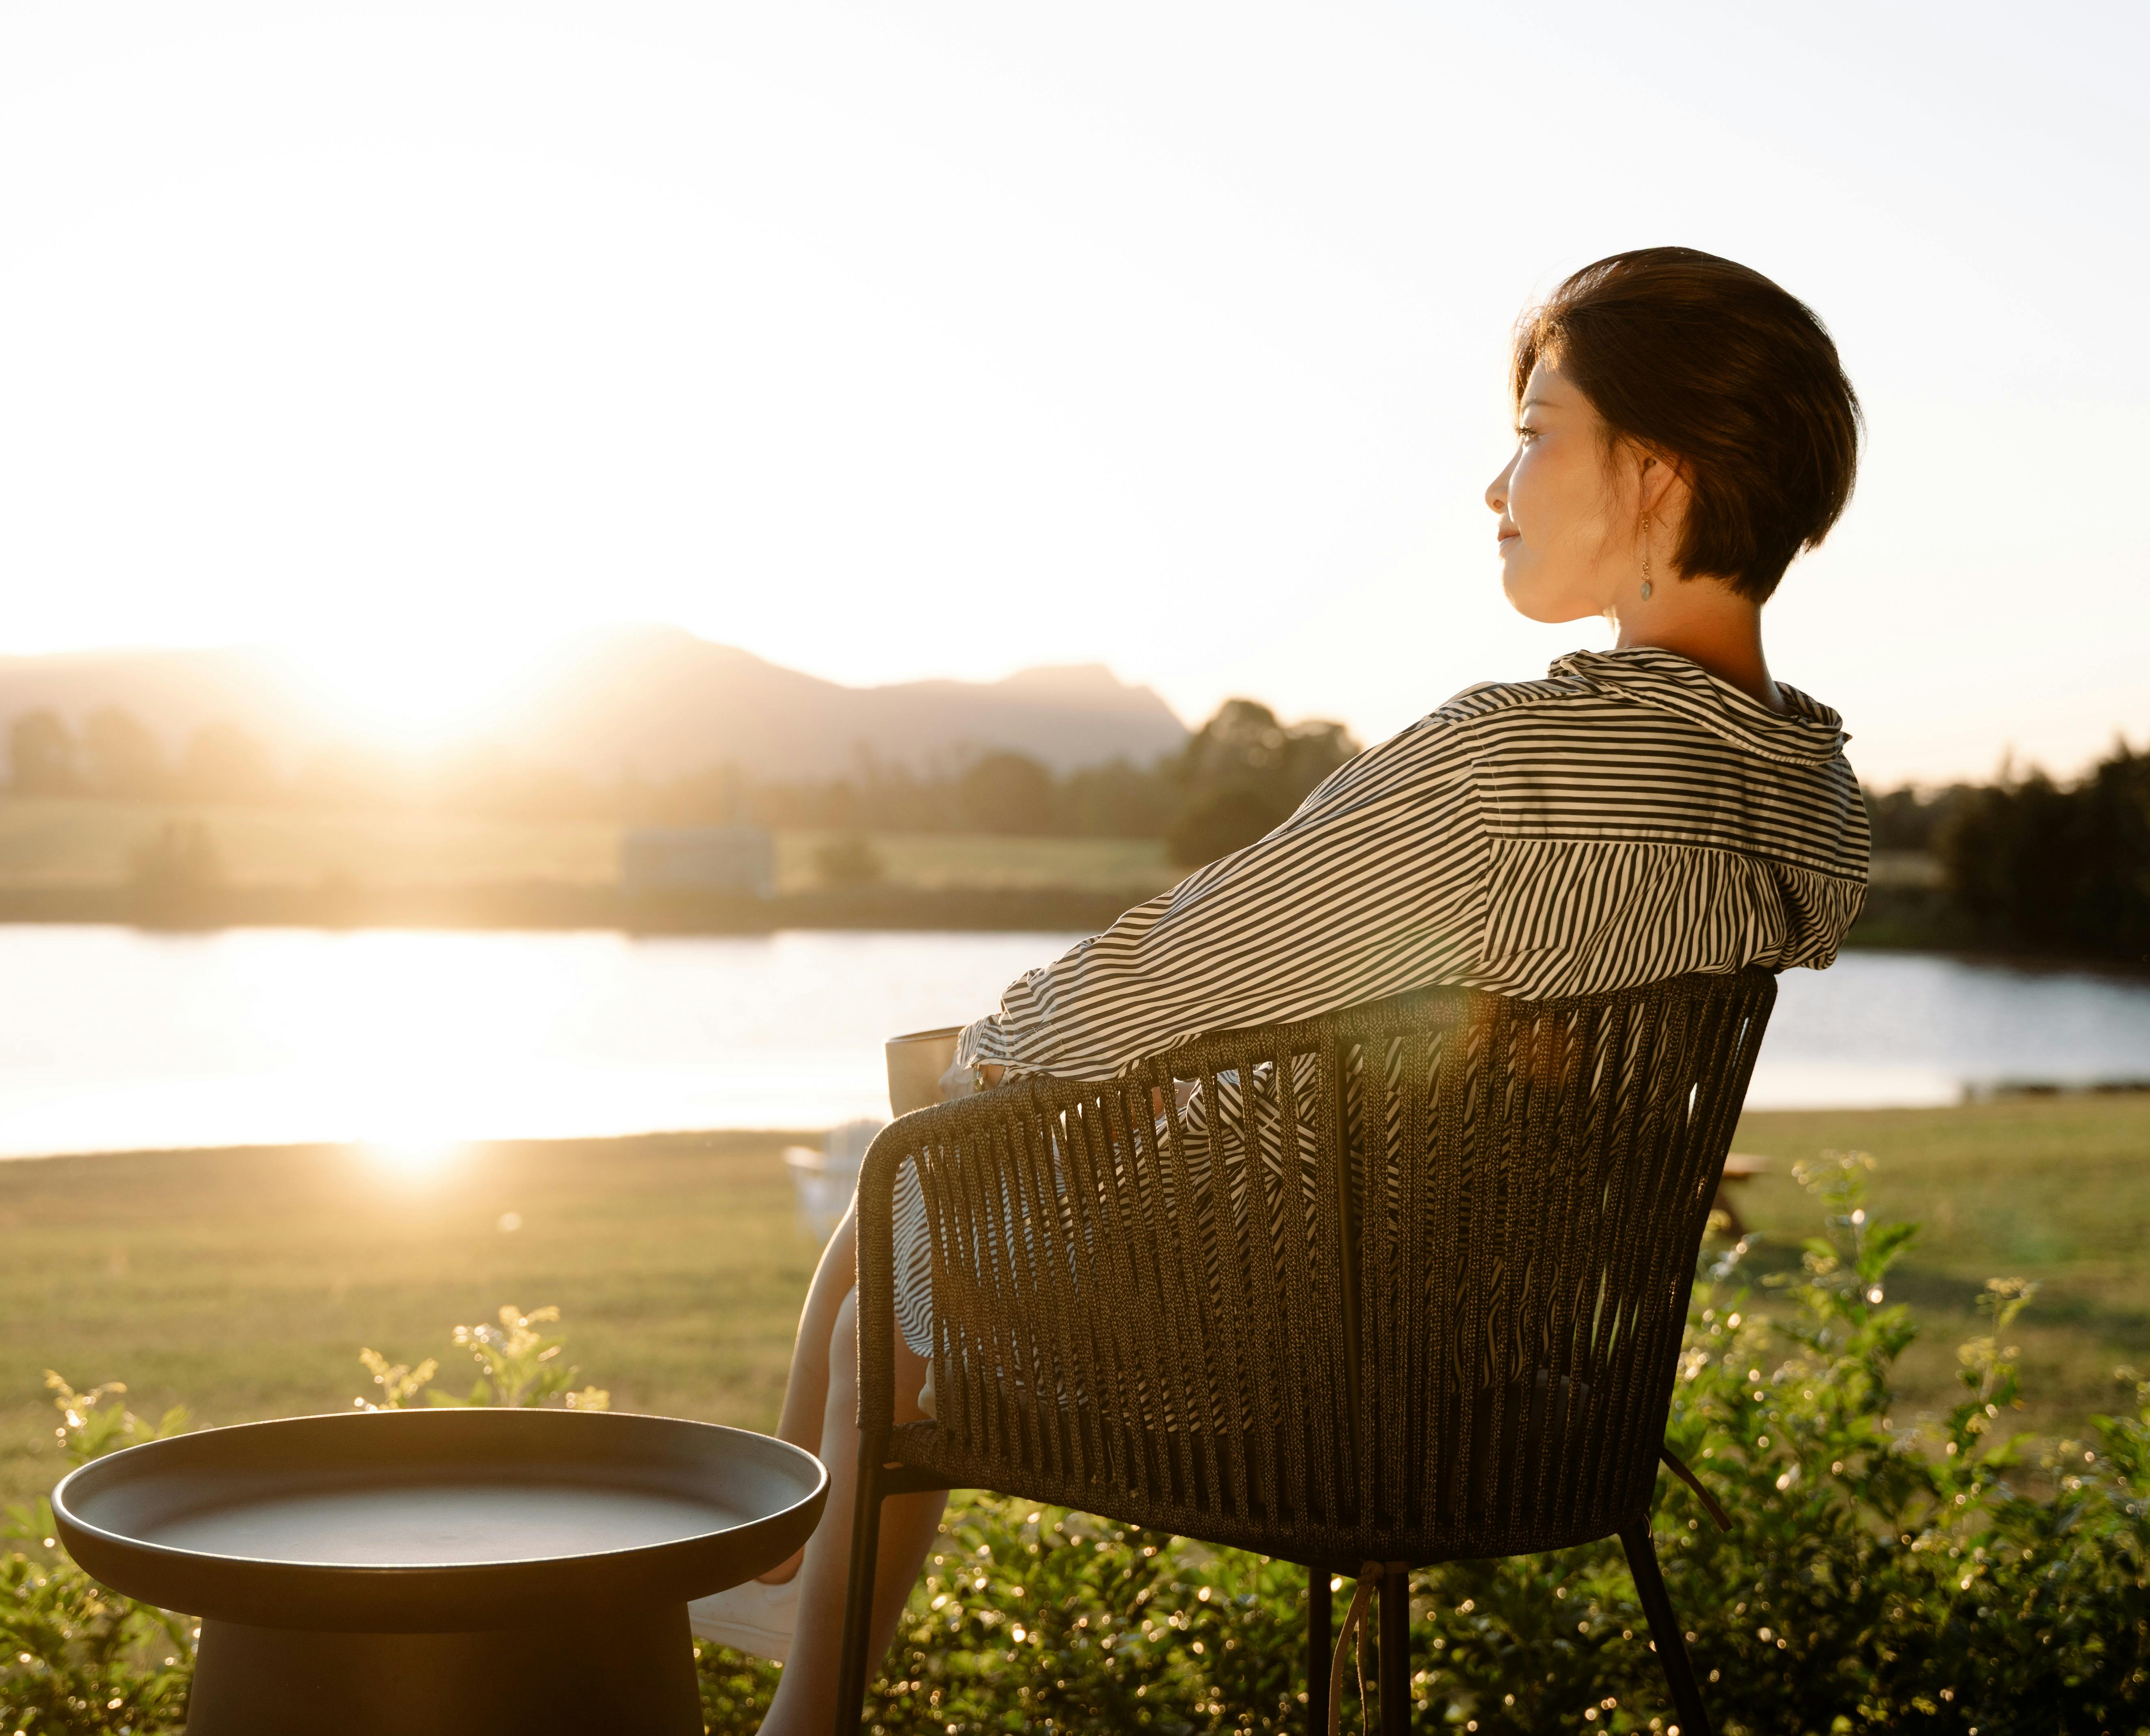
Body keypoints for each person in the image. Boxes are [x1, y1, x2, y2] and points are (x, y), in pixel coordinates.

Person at [693, 245, 1873, 1734]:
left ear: (1659, 470)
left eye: (1533, 431)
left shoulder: (1513, 771)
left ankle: (804, 1670)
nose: (1496, 485)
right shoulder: (1807, 801)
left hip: (1327, 1379)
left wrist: (991, 1057)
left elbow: (1194, 959)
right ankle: (795, 1577)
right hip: (1525, 1373)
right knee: (910, 1205)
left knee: (910, 1210)